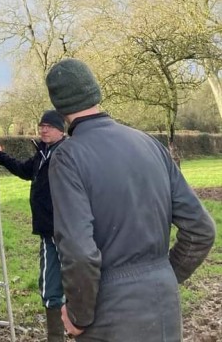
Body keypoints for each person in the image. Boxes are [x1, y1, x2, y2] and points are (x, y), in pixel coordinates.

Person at [45, 58, 216, 341]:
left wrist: (78, 316)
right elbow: (201, 230)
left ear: (58, 106)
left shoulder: (68, 157)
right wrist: (162, 277)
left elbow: (79, 251)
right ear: (95, 92)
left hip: (109, 315)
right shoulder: (150, 144)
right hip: (164, 308)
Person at [0, 110, 68, 341]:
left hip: (69, 230)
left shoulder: (68, 152)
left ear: (61, 130)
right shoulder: (42, 153)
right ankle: (56, 336)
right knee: (49, 283)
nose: (43, 130)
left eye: (48, 126)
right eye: (41, 126)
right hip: (47, 229)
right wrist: (1, 156)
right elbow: (25, 171)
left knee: (79, 279)